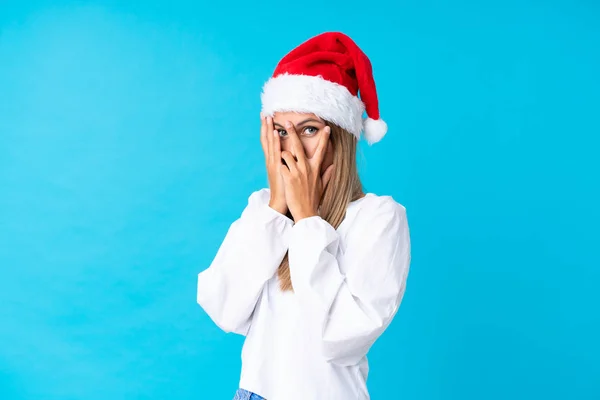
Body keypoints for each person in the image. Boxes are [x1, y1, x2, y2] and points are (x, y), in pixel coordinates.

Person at [197, 31, 411, 400]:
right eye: (280, 131)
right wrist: (278, 208)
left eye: (308, 129)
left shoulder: (379, 217)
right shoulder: (264, 211)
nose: (291, 146)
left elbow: (342, 338)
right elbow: (223, 308)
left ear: (341, 137)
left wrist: (308, 219)